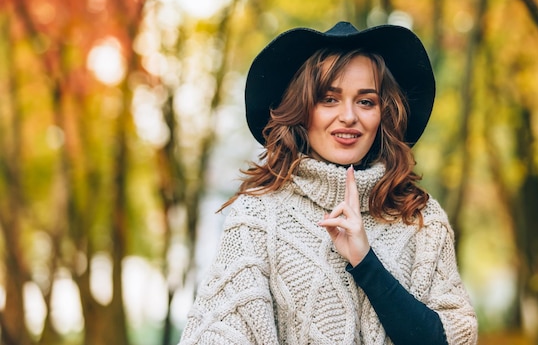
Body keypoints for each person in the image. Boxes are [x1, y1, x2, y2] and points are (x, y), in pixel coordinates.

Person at [178, 21, 478, 344]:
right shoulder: (257, 219)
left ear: (383, 114)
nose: (348, 116)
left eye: (366, 101)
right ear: (303, 109)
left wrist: (366, 264)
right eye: (329, 99)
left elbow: (452, 339)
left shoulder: (422, 220)